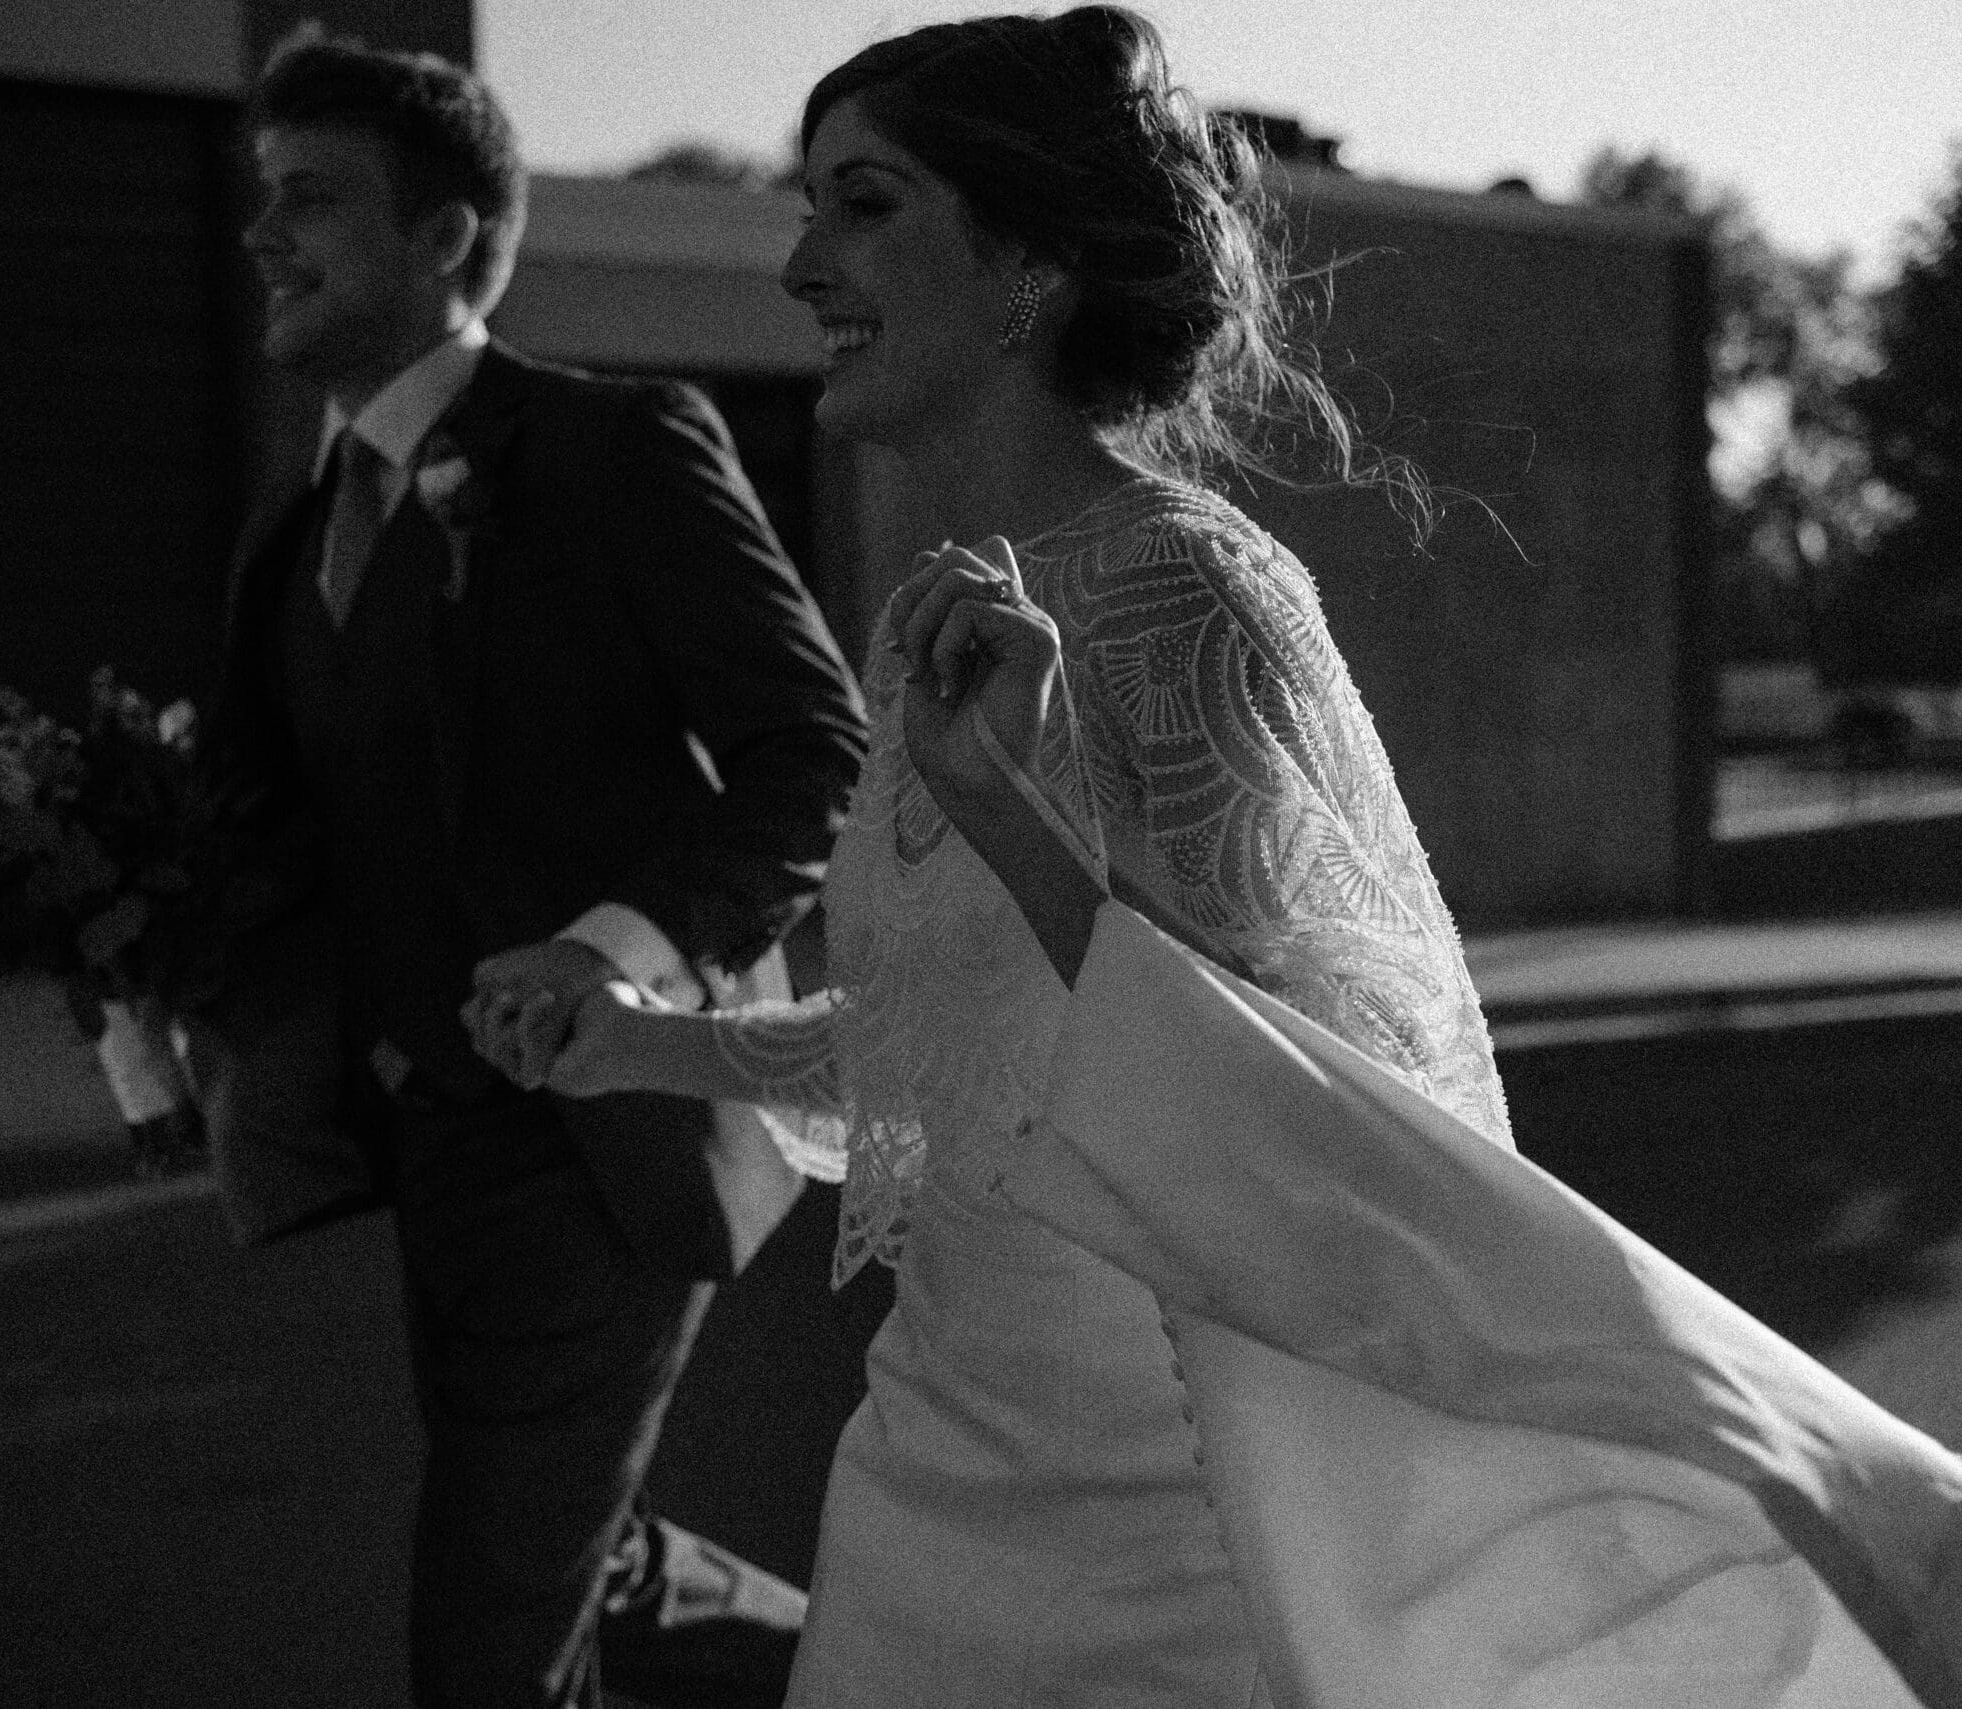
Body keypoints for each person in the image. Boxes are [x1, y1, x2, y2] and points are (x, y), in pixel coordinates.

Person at [468, 8, 1503, 1699]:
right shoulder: (934, 615)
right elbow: (939, 1038)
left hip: (1173, 1517)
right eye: (810, 206)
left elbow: (1319, 1089)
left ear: (1026, 262)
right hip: (929, 1467)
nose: (802, 264)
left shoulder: (1192, 596)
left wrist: (1006, 807)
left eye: (862, 205)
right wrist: (642, 1045)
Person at [192, 27, 868, 1709]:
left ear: (445, 236)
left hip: (599, 1153)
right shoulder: (291, 534)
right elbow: (295, 836)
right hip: (422, 1148)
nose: (265, 235)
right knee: (584, 1560)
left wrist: (615, 948)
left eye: (314, 200)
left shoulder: (614, 448)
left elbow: (814, 749)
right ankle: (882, 1679)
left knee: (487, 1643)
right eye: (261, 200)